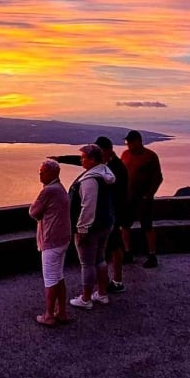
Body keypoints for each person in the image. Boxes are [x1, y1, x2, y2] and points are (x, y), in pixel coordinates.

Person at [67, 144, 115, 310]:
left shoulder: (90, 180)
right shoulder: (105, 173)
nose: (81, 160)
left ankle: (86, 298)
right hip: (106, 223)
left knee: (87, 263)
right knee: (100, 259)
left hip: (91, 228)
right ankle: (101, 293)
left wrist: (82, 229)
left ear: (93, 159)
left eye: (83, 158)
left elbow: (88, 206)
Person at [27, 159, 72, 326]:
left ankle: (48, 315)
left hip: (51, 240)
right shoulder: (60, 188)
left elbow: (33, 212)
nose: (40, 174)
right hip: (63, 238)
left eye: (43, 171)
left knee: (50, 278)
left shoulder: (48, 191)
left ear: (53, 173)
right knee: (58, 276)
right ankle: (61, 312)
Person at [121, 130, 164, 268]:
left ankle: (152, 255)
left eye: (130, 143)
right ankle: (127, 253)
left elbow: (158, 178)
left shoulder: (150, 156)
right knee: (125, 225)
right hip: (128, 197)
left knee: (147, 226)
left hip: (144, 199)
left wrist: (149, 194)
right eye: (127, 143)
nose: (128, 145)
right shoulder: (125, 154)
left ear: (138, 142)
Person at [95, 136, 129, 293]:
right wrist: (61, 159)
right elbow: (82, 160)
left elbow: (118, 192)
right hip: (109, 211)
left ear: (107, 150)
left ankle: (117, 280)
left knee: (115, 245)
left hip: (114, 211)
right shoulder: (107, 163)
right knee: (111, 245)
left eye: (100, 151)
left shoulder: (117, 167)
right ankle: (107, 279)